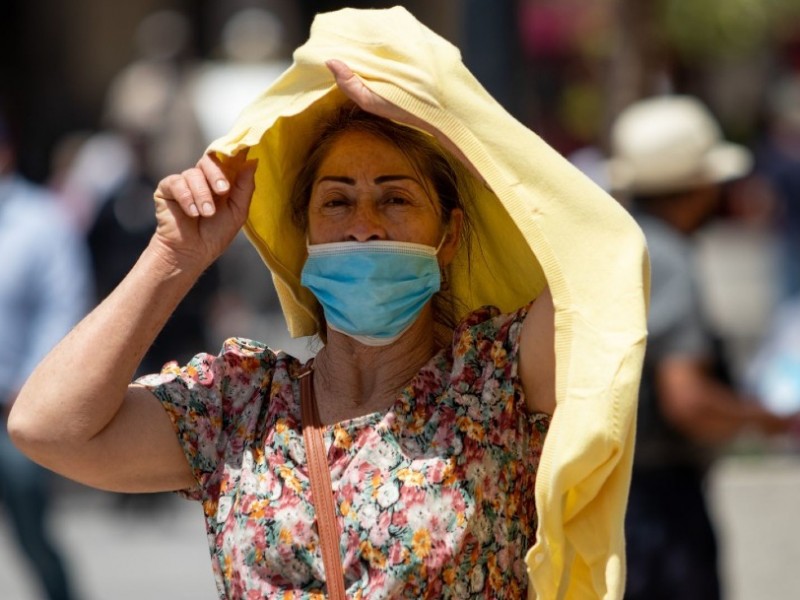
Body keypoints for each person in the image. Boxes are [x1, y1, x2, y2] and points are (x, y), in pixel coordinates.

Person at [9, 7, 649, 599]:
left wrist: (451, 126)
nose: (364, 226)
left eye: (395, 199)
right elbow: (47, 428)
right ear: (306, 237)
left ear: (448, 235)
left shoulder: (496, 382)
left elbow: (607, 258)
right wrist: (175, 256)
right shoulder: (244, 409)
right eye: (336, 202)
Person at [606, 95, 800, 600]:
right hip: (657, 503)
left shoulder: (615, 241)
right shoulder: (668, 259)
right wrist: (767, 420)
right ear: (698, 185)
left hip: (608, 496)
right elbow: (687, 400)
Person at [0, 108, 90, 600]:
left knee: (32, 535)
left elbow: (65, 304)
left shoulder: (40, 220)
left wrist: (32, 383)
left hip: (14, 408)